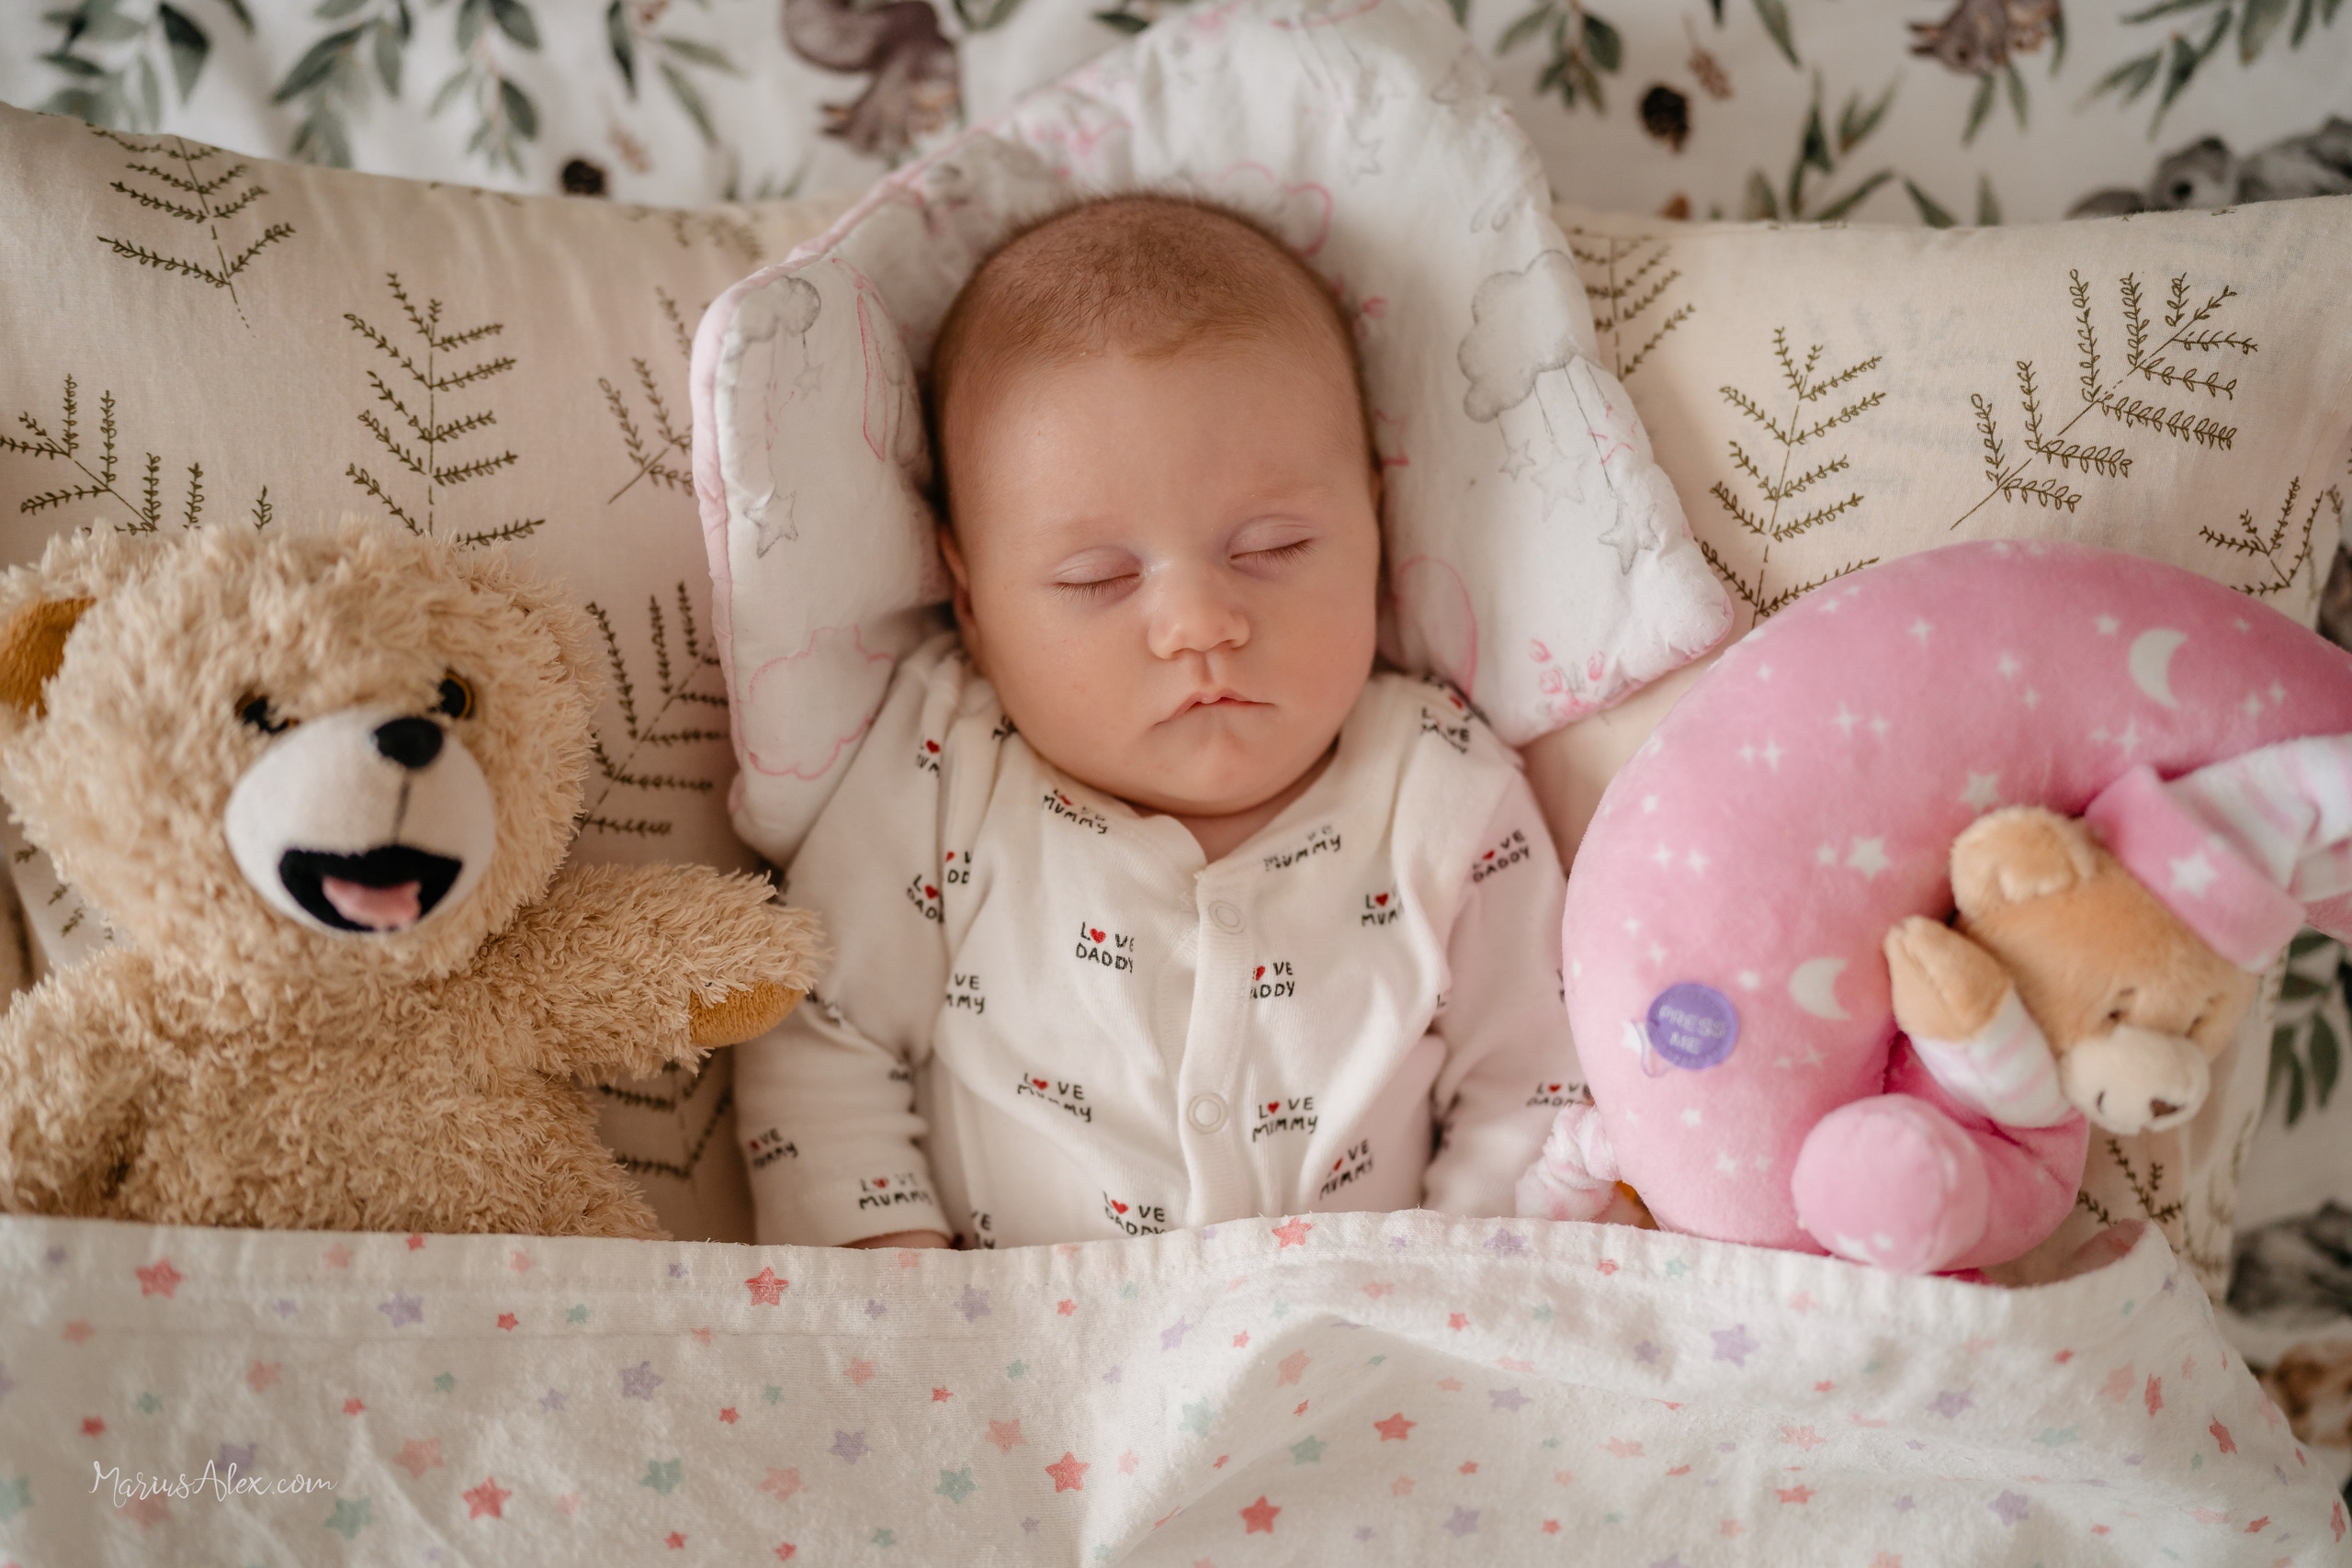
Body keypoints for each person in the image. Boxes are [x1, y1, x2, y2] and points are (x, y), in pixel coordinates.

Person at [734, 193, 1579, 1248]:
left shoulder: (1440, 788)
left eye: (1271, 549)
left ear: (1373, 522)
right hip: (1006, 1333)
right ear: (971, 598)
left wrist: (1450, 1288)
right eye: (1097, 578)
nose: (1199, 624)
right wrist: (892, 1274)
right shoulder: (944, 766)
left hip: (1370, 1327)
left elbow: (1534, 1085)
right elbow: (820, 1025)